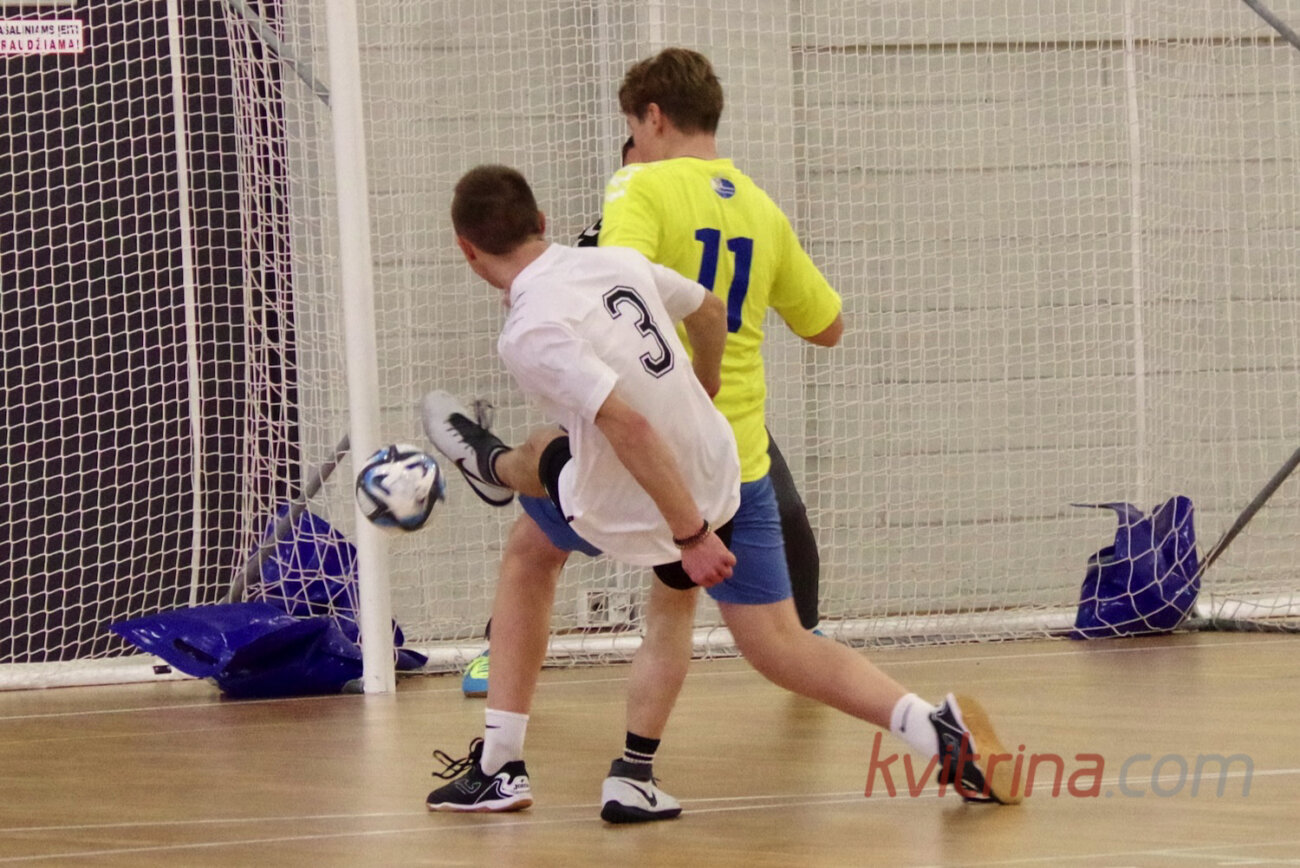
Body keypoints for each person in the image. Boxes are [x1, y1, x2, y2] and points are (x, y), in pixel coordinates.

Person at [589, 47, 1020, 812]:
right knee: (774, 643)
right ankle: (931, 731)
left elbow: (615, 287)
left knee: (535, 521)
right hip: (740, 459)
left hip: (661, 450)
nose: (636, 141)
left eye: (634, 125)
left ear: (652, 117)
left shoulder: (638, 184)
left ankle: (519, 754)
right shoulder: (760, 207)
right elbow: (828, 326)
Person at [424, 163, 740, 816]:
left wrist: (690, 535)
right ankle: (633, 777)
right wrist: (705, 386)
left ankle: (489, 465)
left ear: (466, 251)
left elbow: (628, 426)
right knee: (671, 610)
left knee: (541, 468)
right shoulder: (616, 261)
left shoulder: (528, 330)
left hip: (635, 504)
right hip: (715, 468)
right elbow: (710, 311)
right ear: (541, 222)